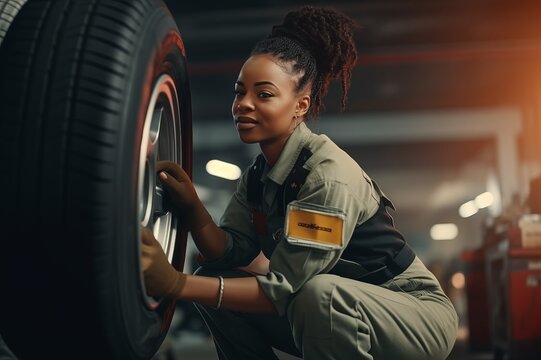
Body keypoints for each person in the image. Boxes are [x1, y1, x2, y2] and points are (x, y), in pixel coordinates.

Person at [141, 5, 458, 359]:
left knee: (316, 295)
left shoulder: (327, 176)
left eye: (263, 94)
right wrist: (193, 211)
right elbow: (229, 251)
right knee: (216, 276)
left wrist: (176, 284)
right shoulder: (260, 176)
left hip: (412, 313)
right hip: (343, 308)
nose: (243, 105)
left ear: (300, 105)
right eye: (238, 91)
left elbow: (283, 290)